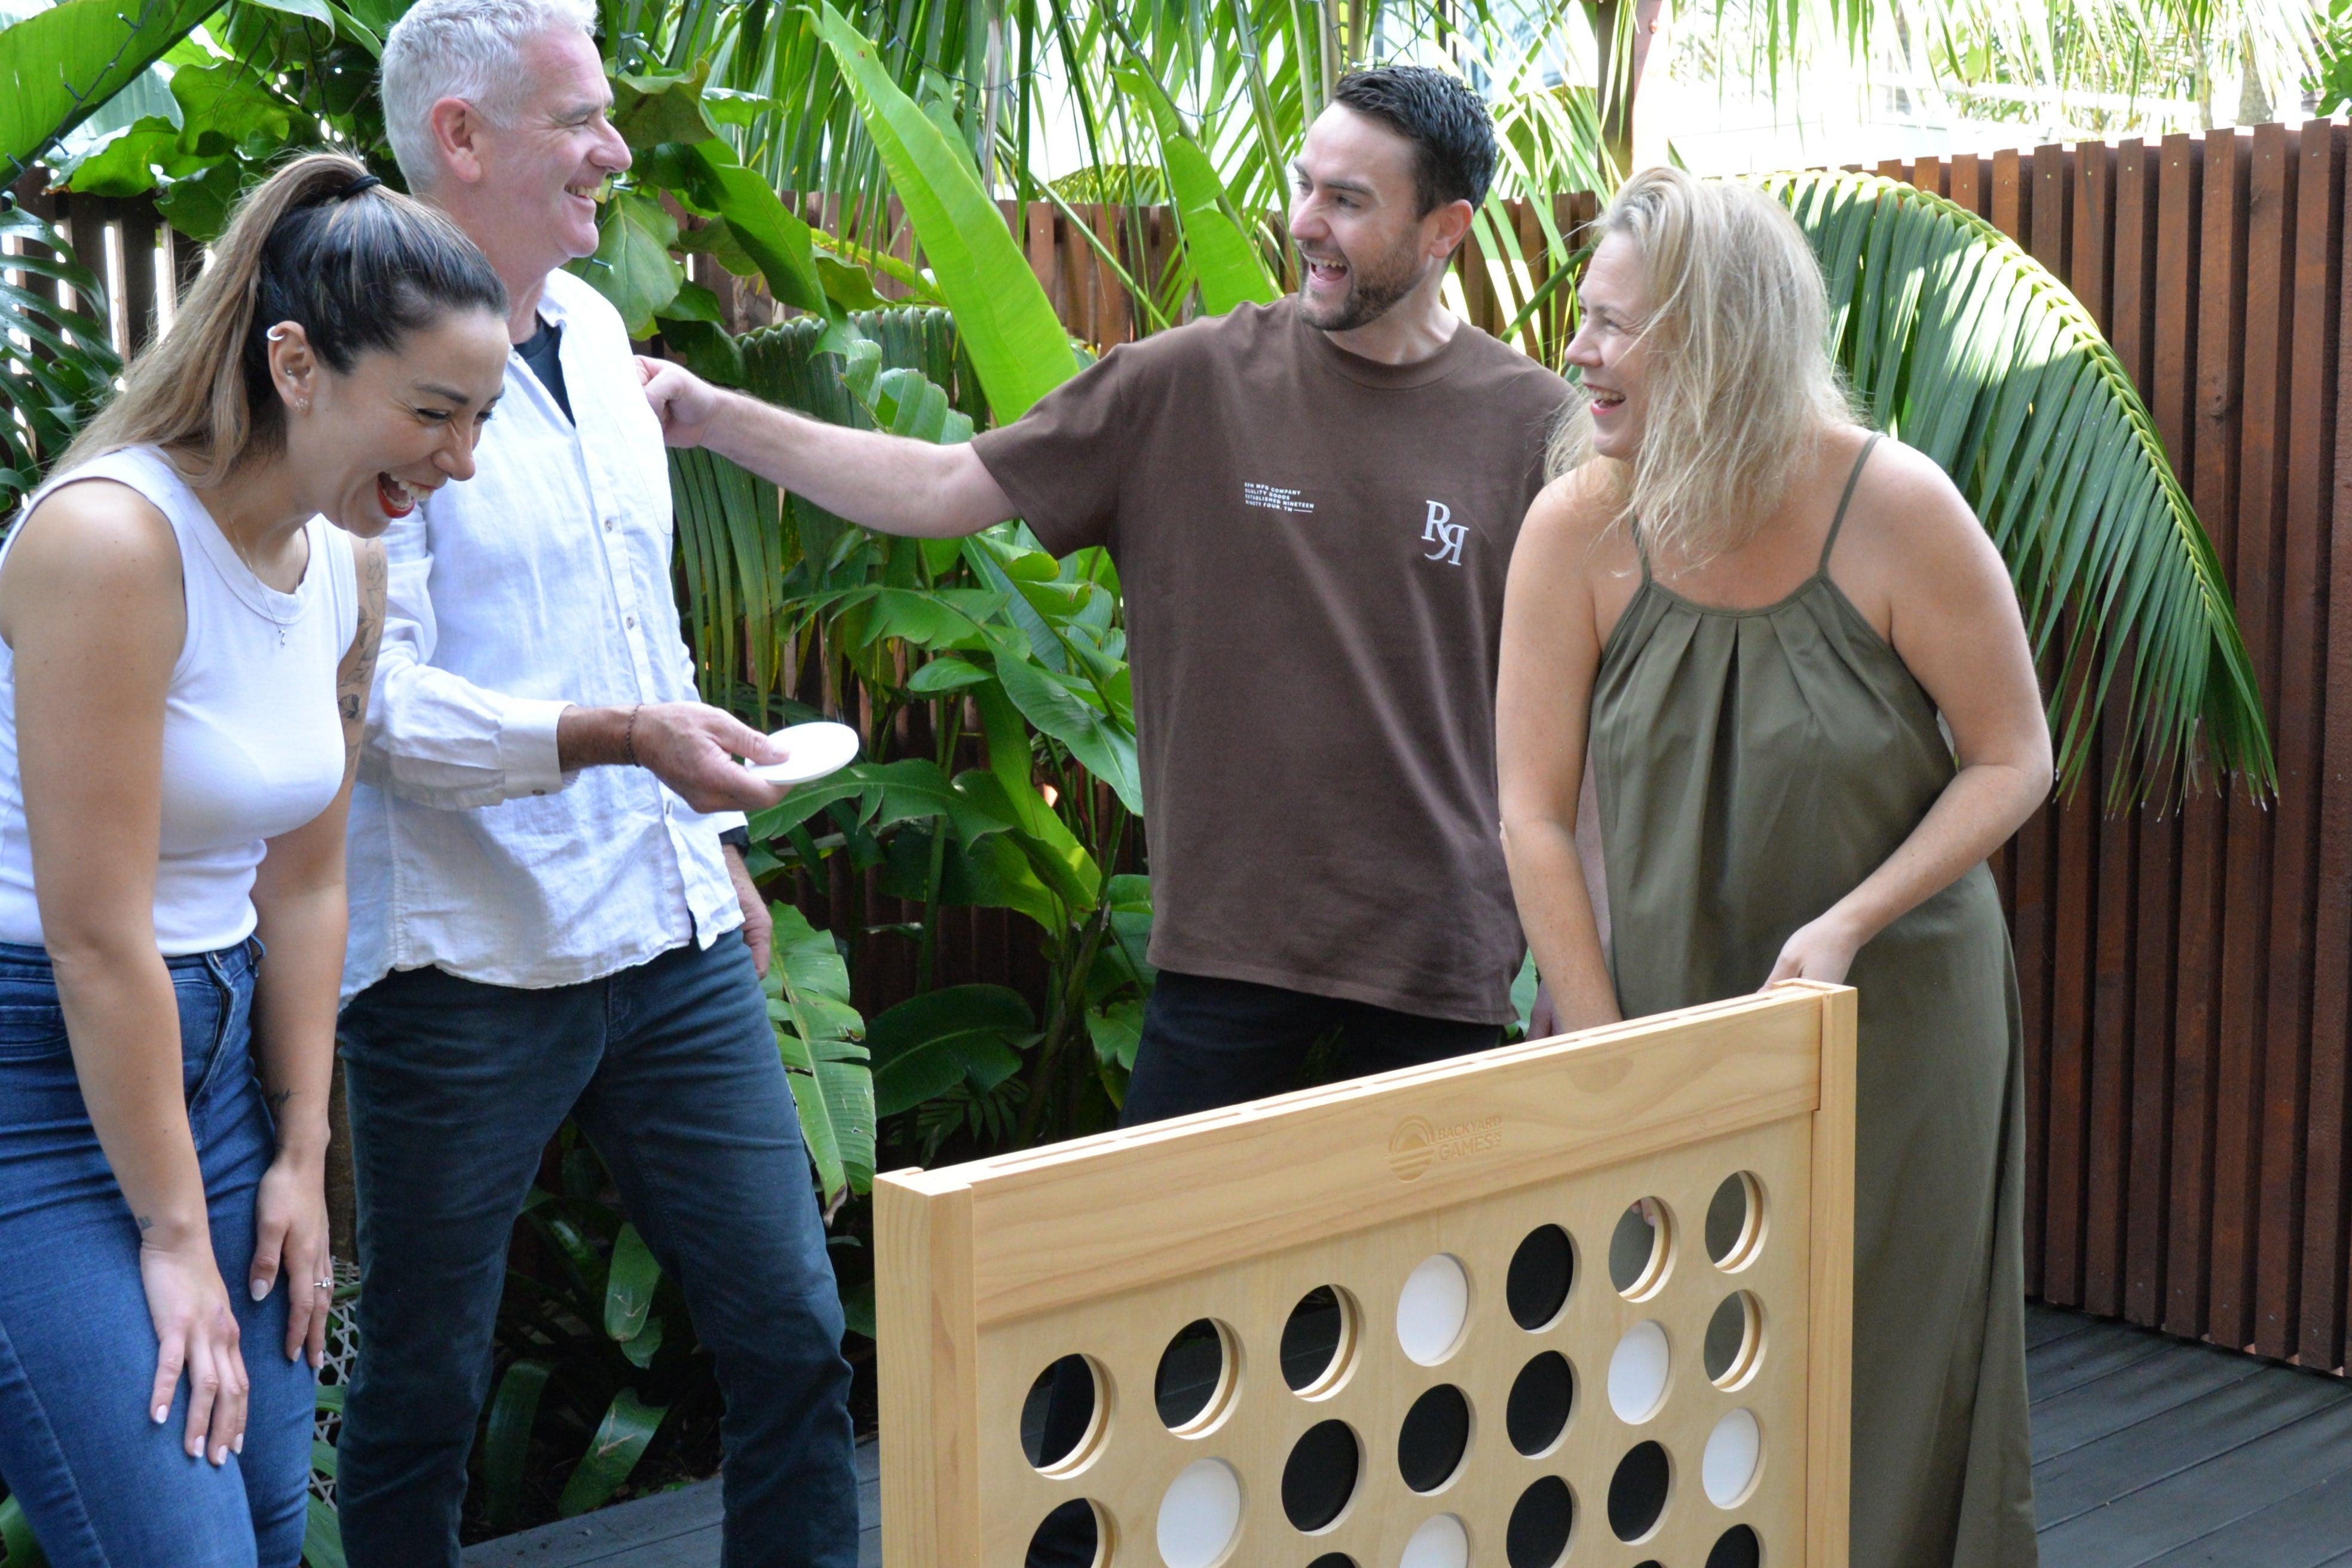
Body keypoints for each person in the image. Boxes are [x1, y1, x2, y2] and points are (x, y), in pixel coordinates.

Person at [644, 65, 1567, 1125]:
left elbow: (1587, 718)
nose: (1305, 222)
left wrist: (1569, 974)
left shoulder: (1535, 430)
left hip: (1440, 968)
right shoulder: (1183, 385)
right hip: (1226, 958)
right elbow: (941, 486)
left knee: (1434, 1292)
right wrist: (714, 415)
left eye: (1349, 201)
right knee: (1180, 1289)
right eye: (1305, 184)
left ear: (1446, 228)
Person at [332, 2, 859, 1563]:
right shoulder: (356, 368)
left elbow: (645, 628)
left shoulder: (604, 346)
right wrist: (622, 744)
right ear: (464, 139)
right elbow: (382, 711)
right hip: (462, 963)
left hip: (670, 929)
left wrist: (716, 847)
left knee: (791, 1337)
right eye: (581, 118)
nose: (616, 149)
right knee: (425, 1380)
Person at [1497, 166, 2045, 1564]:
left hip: (1897, 1014)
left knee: (1885, 1371)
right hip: (1674, 1021)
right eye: (1586, 318)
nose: (1580, 351)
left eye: (1618, 325)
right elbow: (1533, 813)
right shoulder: (1577, 531)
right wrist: (1604, 1058)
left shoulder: (1894, 505)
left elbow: (2011, 756)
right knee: (1677, 1375)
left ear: (1720, 334)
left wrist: (1852, 921)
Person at [0, 153, 506, 1567]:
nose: (456, 462)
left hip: (219, 1062)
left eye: (479, 421)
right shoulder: (111, 541)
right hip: (37, 1067)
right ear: (296, 361)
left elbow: (306, 880)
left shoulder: (346, 564)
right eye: (430, 413)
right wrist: (175, 1236)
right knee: (182, 1547)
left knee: (273, 1523)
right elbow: (97, 936)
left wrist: (300, 1147)